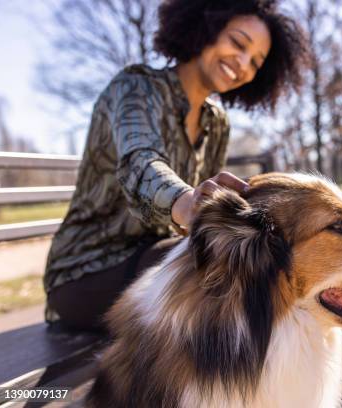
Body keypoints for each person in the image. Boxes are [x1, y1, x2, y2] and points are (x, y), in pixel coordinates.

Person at [43, 0, 308, 331]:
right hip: (84, 272)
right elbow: (140, 164)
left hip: (156, 259)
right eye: (238, 43)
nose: (242, 63)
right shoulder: (135, 86)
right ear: (206, 25)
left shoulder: (218, 123)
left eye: (256, 62)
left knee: (264, 256)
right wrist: (189, 204)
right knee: (228, 269)